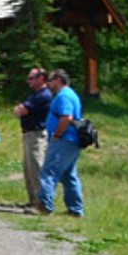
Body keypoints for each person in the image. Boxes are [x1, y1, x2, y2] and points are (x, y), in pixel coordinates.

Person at [34, 68, 86, 218]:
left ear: (58, 80)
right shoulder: (69, 94)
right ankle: (75, 209)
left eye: (50, 80)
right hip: (71, 141)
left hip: (64, 140)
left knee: (48, 172)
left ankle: (45, 205)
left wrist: (57, 134)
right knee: (69, 176)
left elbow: (66, 117)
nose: (49, 83)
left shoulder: (64, 96)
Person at [13, 67, 52, 210]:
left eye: (31, 78)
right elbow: (18, 110)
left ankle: (41, 203)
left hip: (37, 135)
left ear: (41, 78)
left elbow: (21, 110)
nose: (28, 81)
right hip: (28, 134)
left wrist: (20, 109)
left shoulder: (44, 95)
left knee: (36, 169)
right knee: (28, 169)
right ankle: (33, 200)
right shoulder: (34, 95)